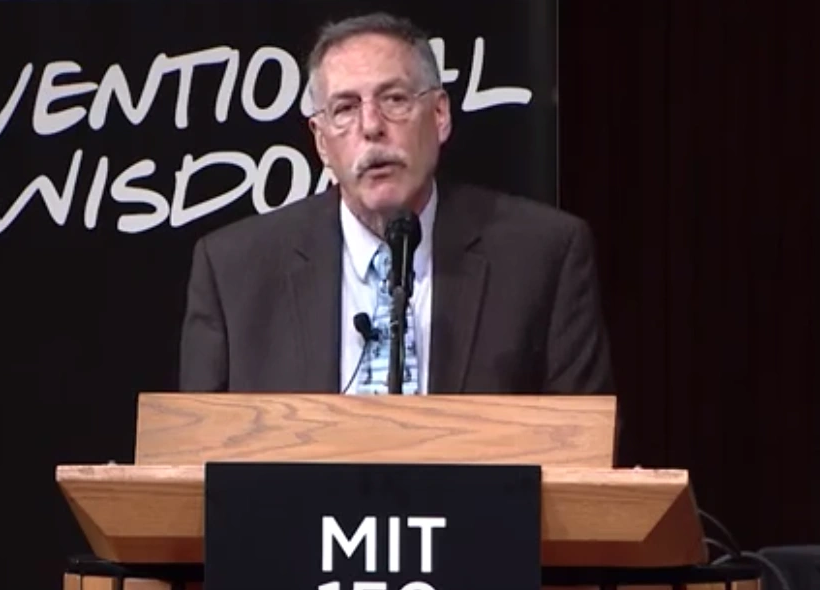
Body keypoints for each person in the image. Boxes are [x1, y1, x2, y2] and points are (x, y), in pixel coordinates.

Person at [178, 12, 614, 395]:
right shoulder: (234, 271)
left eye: (394, 100)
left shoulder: (543, 256)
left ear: (440, 115)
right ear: (321, 142)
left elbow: (584, 454)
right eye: (345, 107)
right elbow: (196, 464)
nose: (371, 127)